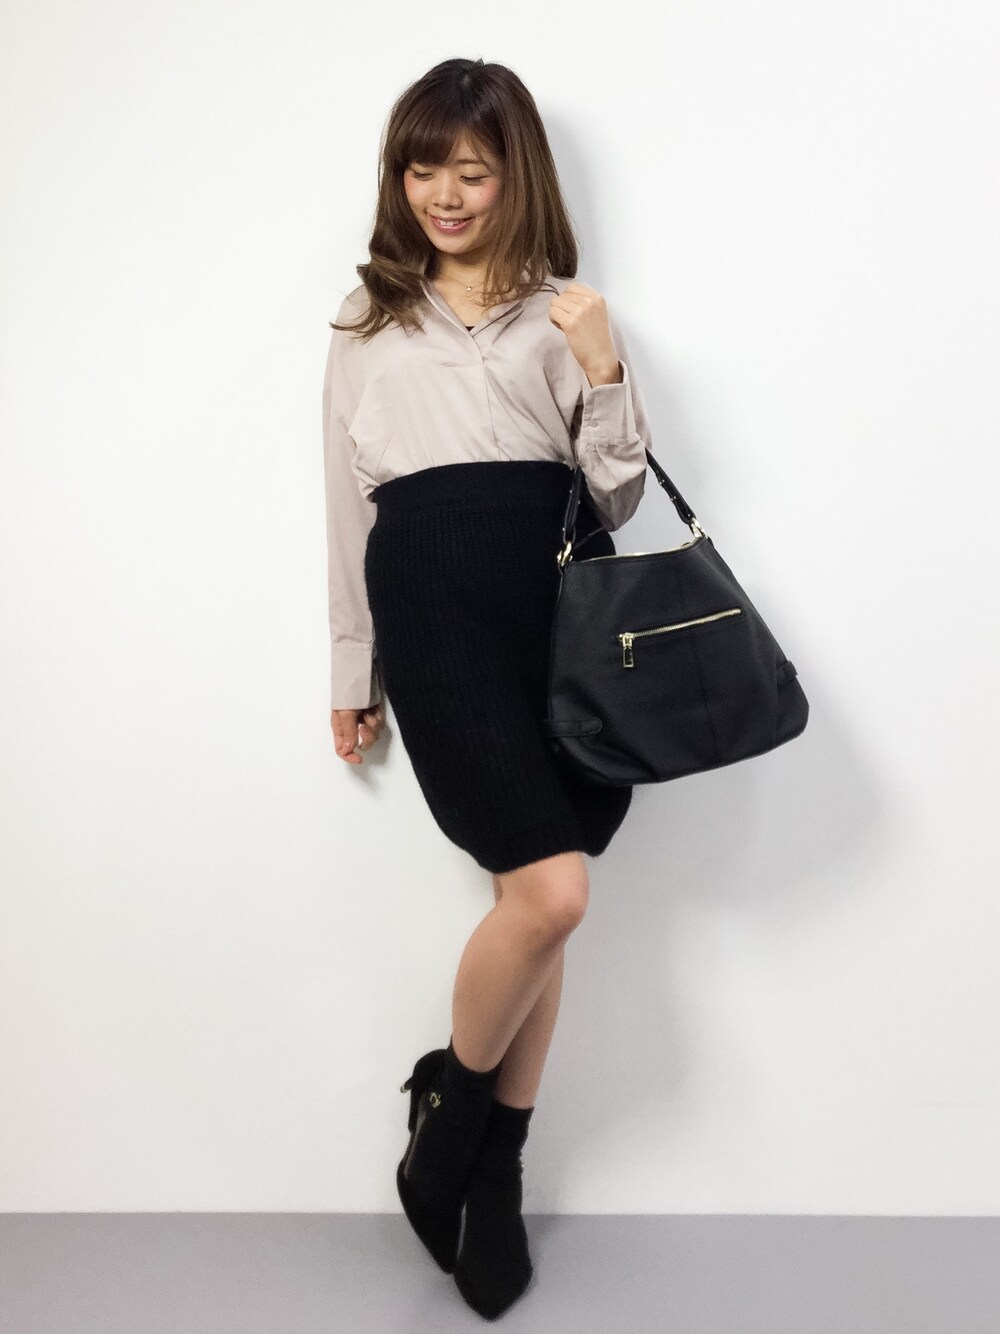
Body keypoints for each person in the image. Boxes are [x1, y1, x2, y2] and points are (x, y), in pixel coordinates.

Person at [322, 57, 655, 1320]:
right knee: (553, 890)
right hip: (433, 617)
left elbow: (617, 498)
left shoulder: (566, 313)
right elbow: (343, 508)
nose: (446, 195)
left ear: (518, 176)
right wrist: (353, 667)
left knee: (538, 902)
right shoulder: (366, 321)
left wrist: (604, 367)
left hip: (551, 621)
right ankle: (457, 1124)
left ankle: (486, 1162)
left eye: (471, 169)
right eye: (424, 169)